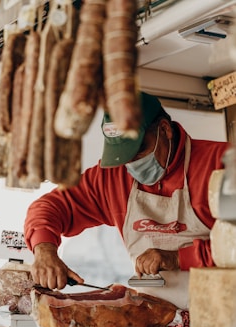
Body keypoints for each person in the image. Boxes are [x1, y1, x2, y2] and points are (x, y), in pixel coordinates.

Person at [24, 91, 230, 295]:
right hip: (160, 316)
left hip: (226, 311)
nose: (131, 165)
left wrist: (177, 258)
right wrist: (44, 251)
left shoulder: (223, 164)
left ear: (164, 130)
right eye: (123, 157)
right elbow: (49, 207)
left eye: (138, 151)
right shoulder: (112, 177)